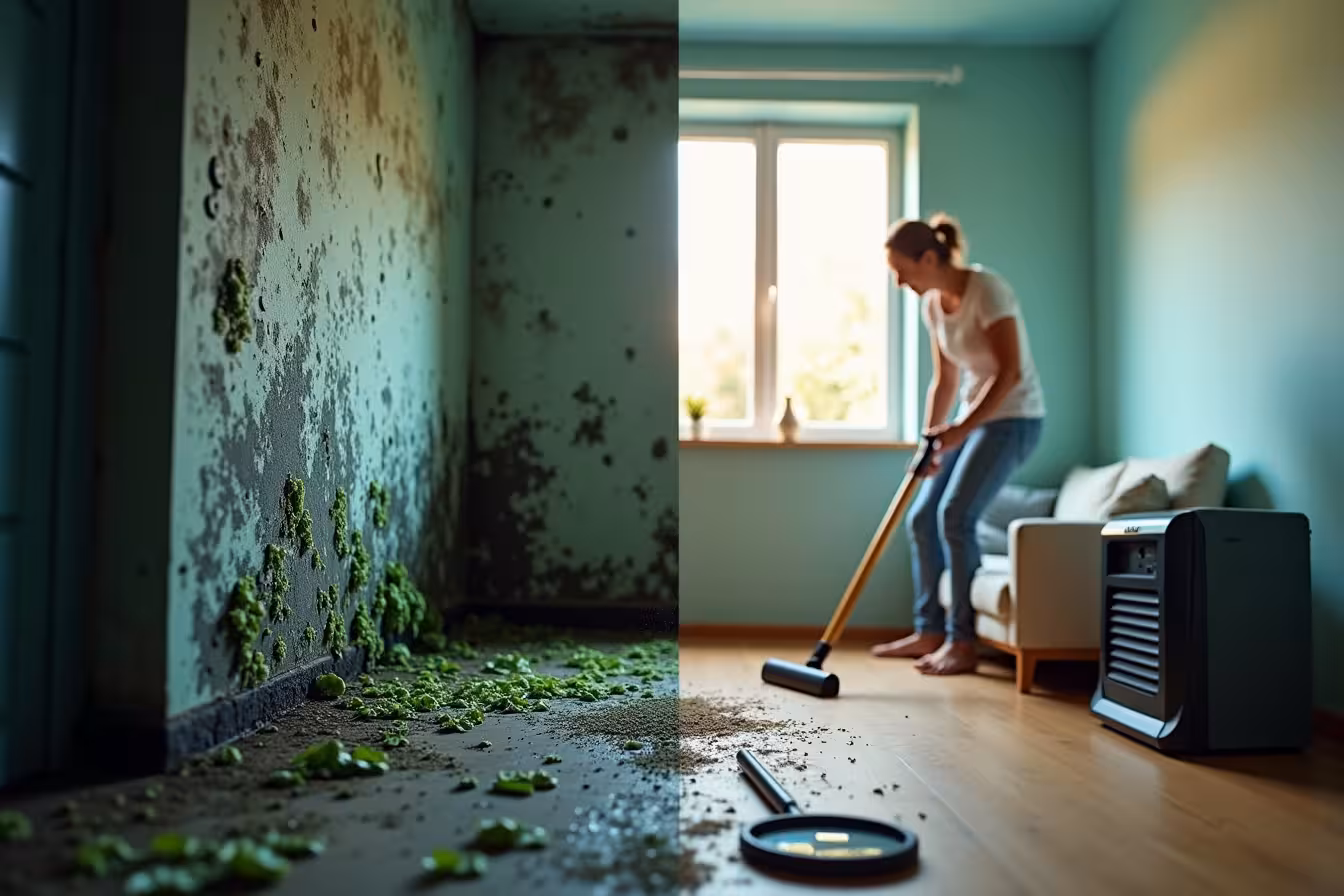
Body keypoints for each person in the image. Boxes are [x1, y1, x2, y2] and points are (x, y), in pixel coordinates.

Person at [869, 213, 1046, 675]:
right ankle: (929, 630)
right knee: (923, 518)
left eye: (900, 269)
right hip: (972, 419)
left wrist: (959, 431)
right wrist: (931, 441)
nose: (899, 281)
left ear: (929, 257)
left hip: (1013, 419)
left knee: (956, 515)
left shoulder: (988, 290)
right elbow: (945, 379)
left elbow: (1009, 374)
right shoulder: (932, 305)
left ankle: (961, 644)